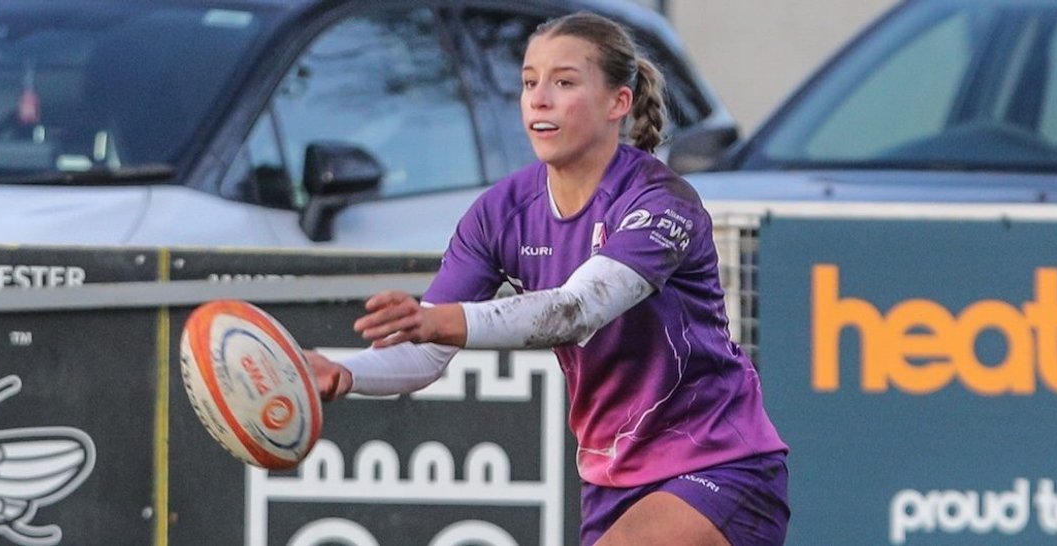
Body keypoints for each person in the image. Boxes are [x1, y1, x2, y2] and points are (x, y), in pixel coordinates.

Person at [307, 11, 789, 545]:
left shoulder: (660, 201)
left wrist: (438, 319)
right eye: (529, 82)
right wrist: (345, 372)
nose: (539, 98)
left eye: (564, 82)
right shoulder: (501, 212)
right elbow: (424, 356)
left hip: (721, 464)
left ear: (618, 103)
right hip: (612, 485)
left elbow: (575, 311)